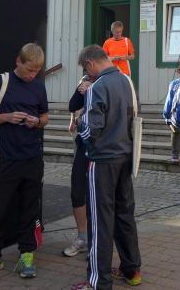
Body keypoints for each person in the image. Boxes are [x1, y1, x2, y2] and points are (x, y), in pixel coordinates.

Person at [0, 43, 49, 280]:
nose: (33, 75)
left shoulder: (39, 87)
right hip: (6, 157)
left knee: (30, 209)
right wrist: (6, 117)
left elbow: (45, 117)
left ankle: (27, 255)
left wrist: (37, 122)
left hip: (33, 157)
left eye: (37, 71)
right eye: (29, 70)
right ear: (18, 61)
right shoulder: (0, 83)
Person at [73, 45, 142, 290]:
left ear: (90, 63)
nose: (87, 74)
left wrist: (79, 122)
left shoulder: (97, 87)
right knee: (125, 215)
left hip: (102, 160)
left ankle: (98, 281)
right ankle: (131, 270)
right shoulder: (127, 81)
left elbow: (92, 130)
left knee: (100, 221)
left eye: (86, 70)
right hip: (125, 157)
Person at [62, 71, 94, 258]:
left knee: (99, 195)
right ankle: (82, 237)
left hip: (104, 147)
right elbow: (72, 106)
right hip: (83, 143)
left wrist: (95, 89)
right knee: (77, 191)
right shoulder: (85, 81)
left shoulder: (115, 81)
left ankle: (97, 242)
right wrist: (83, 89)